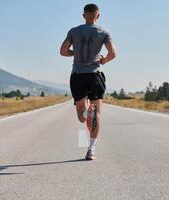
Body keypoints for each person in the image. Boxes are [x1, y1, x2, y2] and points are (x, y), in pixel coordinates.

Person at [60, 3, 116, 160]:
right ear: (97, 16)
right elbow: (113, 53)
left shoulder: (73, 31)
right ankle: (91, 150)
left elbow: (62, 51)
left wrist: (75, 53)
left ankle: (85, 112)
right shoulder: (103, 33)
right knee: (96, 112)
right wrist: (104, 60)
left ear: (84, 15)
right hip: (95, 75)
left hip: (78, 75)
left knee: (81, 116)